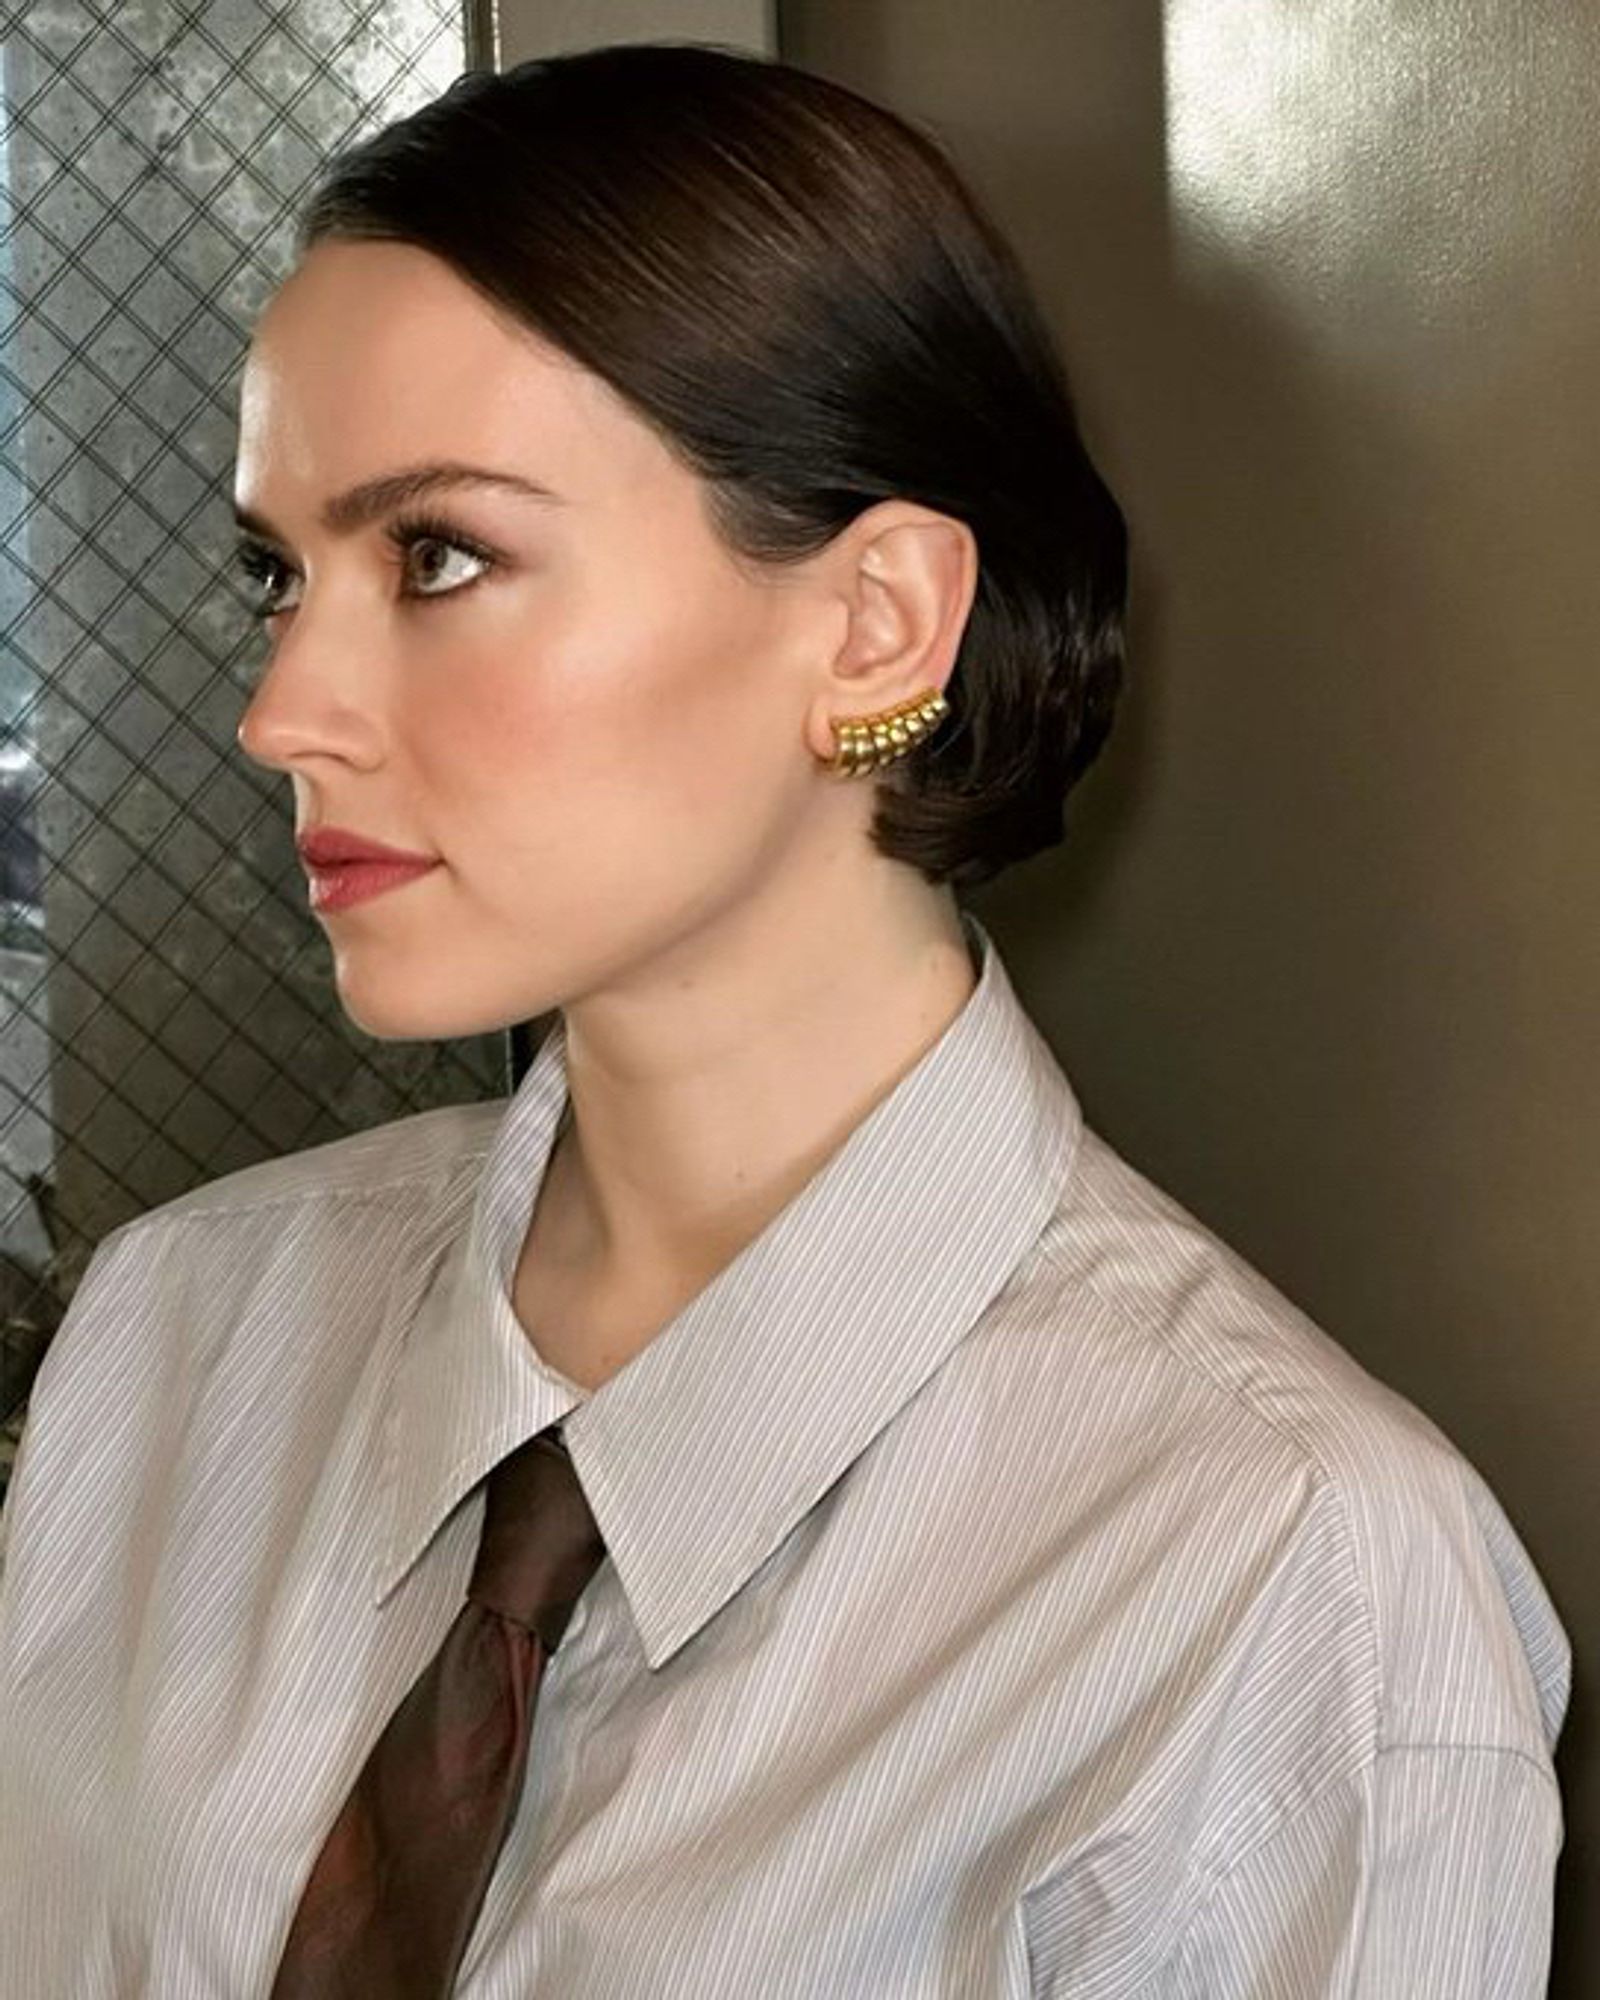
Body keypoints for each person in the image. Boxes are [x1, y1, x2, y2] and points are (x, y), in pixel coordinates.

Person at [0, 40, 1569, 2000]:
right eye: (276, 572)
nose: (282, 708)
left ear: (877, 622)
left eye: (439, 553)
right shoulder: (169, 1337)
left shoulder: (1275, 1571)